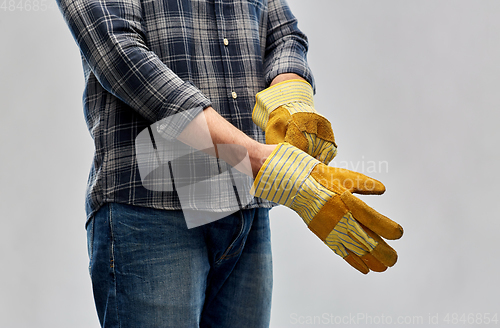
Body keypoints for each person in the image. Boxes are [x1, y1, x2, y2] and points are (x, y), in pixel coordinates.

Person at [57, 0, 403, 327]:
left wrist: (291, 104)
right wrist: (260, 161)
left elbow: (284, 34)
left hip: (245, 204)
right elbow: (119, 56)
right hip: (152, 208)